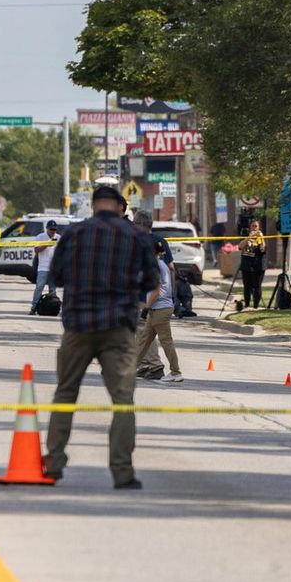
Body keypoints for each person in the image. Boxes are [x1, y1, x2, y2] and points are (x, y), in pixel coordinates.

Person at [46, 184, 157, 490]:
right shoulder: (136, 237)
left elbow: (55, 276)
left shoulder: (74, 234)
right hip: (118, 329)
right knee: (122, 400)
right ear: (120, 207)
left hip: (77, 327)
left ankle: (53, 463)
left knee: (65, 394)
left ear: (93, 205)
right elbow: (151, 281)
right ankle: (122, 471)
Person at [131, 210, 172, 380]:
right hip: (160, 294)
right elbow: (171, 268)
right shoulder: (160, 241)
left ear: (140, 224)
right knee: (146, 330)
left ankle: (154, 364)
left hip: (143, 294)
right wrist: (172, 294)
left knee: (143, 330)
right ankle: (146, 365)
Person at [136, 238, 183, 383]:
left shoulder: (155, 266)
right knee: (144, 340)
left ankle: (176, 372)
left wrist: (147, 307)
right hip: (158, 308)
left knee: (166, 341)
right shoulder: (161, 264)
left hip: (159, 309)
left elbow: (156, 291)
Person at [29, 220, 59, 313]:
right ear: (47, 229)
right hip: (43, 267)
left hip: (54, 268)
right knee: (39, 287)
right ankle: (34, 307)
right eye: (51, 229)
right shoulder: (40, 237)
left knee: (52, 289)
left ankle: (53, 308)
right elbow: (36, 250)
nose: (53, 231)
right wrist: (46, 244)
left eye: (54, 229)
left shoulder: (58, 237)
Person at [238, 219, 266, 310]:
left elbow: (263, 249)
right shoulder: (247, 235)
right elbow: (240, 247)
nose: (254, 228)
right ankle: (246, 305)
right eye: (252, 226)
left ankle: (255, 306)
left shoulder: (261, 237)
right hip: (246, 265)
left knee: (257, 286)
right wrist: (248, 238)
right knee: (247, 286)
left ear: (259, 227)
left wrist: (261, 239)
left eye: (256, 226)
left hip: (258, 265)